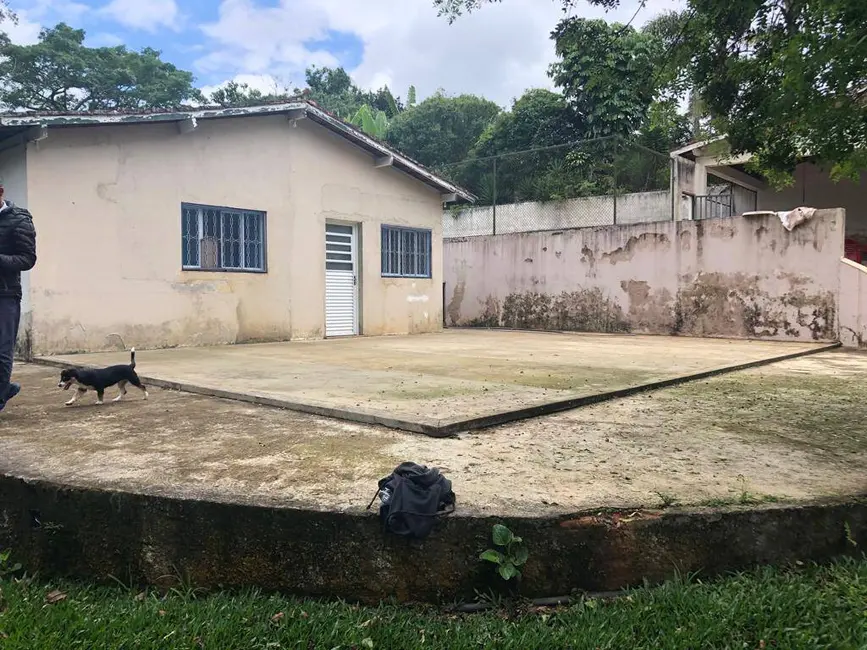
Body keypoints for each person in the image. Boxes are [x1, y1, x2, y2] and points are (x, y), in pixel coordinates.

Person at [0, 183, 36, 413]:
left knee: (2, 351)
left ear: (1, 192)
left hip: (5, 293)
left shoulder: (19, 220)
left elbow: (27, 259)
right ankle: (6, 388)